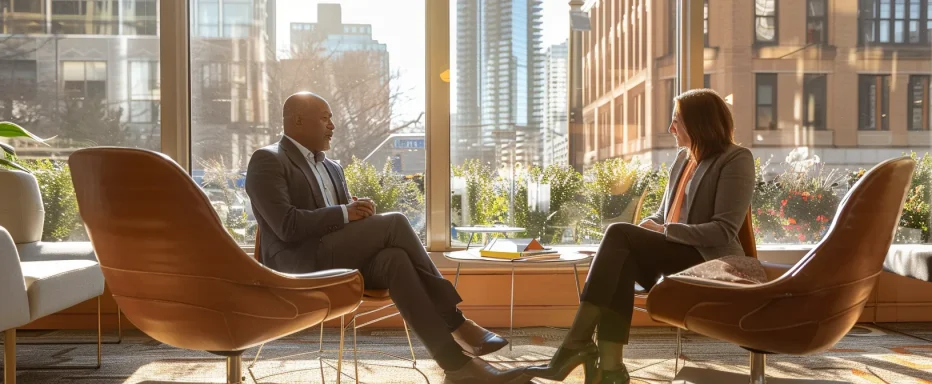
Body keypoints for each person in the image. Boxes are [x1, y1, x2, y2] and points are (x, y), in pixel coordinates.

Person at [245, 92, 524, 383]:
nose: (333, 125)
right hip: (299, 264)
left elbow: (341, 222)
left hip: (338, 258)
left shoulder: (332, 167)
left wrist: (357, 213)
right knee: (396, 223)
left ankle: (455, 366)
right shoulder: (269, 160)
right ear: (297, 120)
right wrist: (343, 212)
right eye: (325, 118)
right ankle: (454, 320)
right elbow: (285, 226)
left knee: (395, 259)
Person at [524, 89, 756, 383]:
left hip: (710, 261)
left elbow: (724, 230)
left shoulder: (735, 159)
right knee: (621, 262)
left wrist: (664, 231)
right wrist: (651, 225)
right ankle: (610, 368)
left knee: (619, 237)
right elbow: (664, 215)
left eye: (677, 121)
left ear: (700, 124)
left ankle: (578, 345)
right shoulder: (683, 160)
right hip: (674, 254)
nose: (671, 128)